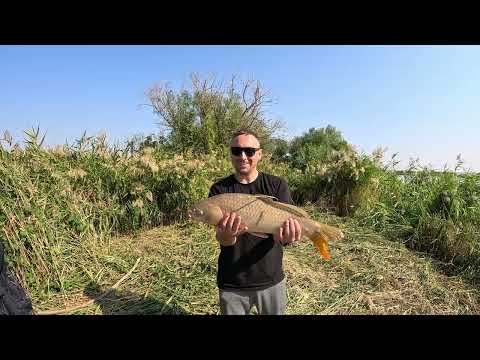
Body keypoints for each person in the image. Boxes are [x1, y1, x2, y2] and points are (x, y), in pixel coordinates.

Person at [208, 129, 301, 315]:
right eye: (236, 151)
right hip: (232, 281)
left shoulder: (277, 185)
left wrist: (290, 236)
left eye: (249, 151)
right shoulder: (219, 190)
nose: (243, 156)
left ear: (259, 154)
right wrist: (227, 235)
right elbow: (222, 239)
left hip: (271, 279)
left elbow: (285, 239)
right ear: (231, 154)